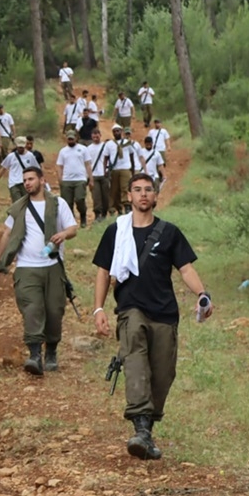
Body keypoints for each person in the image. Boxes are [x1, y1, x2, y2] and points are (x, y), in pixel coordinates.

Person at [91, 172, 212, 460]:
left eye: (148, 189)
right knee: (134, 360)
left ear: (155, 196)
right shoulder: (116, 232)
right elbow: (103, 272)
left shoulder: (170, 232)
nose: (143, 194)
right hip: (131, 308)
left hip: (165, 313)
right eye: (137, 190)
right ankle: (140, 427)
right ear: (129, 196)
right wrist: (98, 309)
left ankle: (148, 428)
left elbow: (185, 269)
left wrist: (202, 294)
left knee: (163, 374)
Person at [0, 166, 77, 375]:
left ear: (42, 179)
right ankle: (34, 354)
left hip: (52, 266)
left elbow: (73, 228)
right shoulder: (19, 207)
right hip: (26, 267)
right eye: (25, 180)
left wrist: (63, 235)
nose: (27, 183)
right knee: (32, 309)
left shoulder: (58, 203)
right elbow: (7, 234)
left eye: (31, 179)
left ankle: (51, 352)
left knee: (54, 311)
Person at [56, 131, 93, 229]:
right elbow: (59, 166)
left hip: (80, 179)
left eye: (72, 138)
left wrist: (91, 178)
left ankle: (83, 215)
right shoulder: (63, 151)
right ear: (66, 138)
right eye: (69, 138)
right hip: (67, 179)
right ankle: (70, 221)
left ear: (76, 138)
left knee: (80, 199)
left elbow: (88, 164)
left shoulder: (83, 149)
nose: (70, 140)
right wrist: (60, 179)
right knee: (67, 202)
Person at [0, 137, 39, 202]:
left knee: (27, 203)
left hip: (26, 183)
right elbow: (3, 169)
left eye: (22, 147)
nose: (21, 149)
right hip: (13, 183)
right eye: (19, 147)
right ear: (16, 146)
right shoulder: (11, 156)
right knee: (17, 203)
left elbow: (37, 169)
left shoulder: (30, 156)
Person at [108, 124, 135, 216]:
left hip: (125, 168)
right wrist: (106, 169)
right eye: (114, 131)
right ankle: (116, 208)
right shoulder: (109, 144)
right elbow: (106, 158)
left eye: (118, 131)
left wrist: (133, 169)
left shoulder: (127, 143)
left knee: (125, 188)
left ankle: (127, 206)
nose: (116, 133)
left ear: (121, 132)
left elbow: (132, 156)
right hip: (114, 169)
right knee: (114, 190)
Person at [88, 128, 111, 223]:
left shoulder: (106, 146)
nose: (95, 137)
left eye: (97, 134)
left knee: (106, 196)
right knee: (96, 196)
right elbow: (87, 163)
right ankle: (97, 215)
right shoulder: (88, 148)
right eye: (94, 135)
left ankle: (105, 213)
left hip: (104, 174)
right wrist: (89, 177)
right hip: (94, 175)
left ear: (100, 135)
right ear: (91, 136)